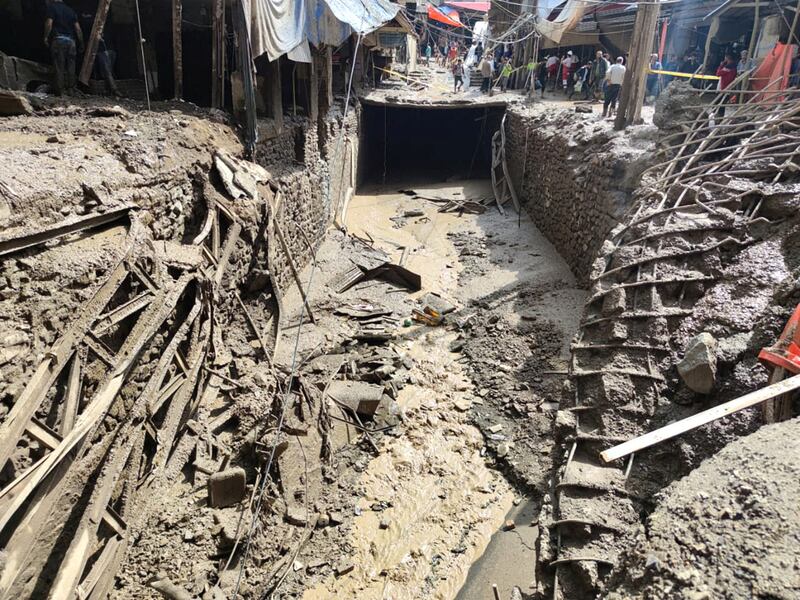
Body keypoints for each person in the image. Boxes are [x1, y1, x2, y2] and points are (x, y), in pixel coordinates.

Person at [43, 0, 84, 96]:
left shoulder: (52, 7)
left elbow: (49, 23)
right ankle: (71, 90)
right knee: (71, 67)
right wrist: (81, 42)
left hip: (59, 40)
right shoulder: (70, 10)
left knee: (59, 67)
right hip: (71, 42)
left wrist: (45, 37)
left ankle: (61, 92)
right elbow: (78, 29)